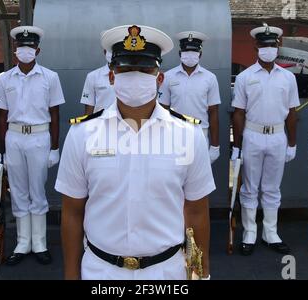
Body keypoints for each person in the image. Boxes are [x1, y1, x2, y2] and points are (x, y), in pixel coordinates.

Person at [56, 24, 214, 280]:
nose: (135, 76)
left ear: (159, 78)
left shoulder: (188, 134)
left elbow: (196, 211)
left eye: (144, 69)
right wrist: (71, 275)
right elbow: (73, 212)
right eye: (126, 69)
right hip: (101, 271)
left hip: (167, 272)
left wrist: (200, 273)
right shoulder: (82, 134)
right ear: (111, 77)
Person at [0, 26, 65, 265]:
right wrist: (1, 151)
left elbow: (55, 114)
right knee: (18, 191)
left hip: (39, 137)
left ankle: (40, 243)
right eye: (21, 47)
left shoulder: (50, 77)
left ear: (38, 50)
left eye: (30, 47)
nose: (25, 51)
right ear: (15, 50)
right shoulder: (5, 79)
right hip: (14, 137)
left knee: (37, 191)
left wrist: (55, 147)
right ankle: (23, 243)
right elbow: (1, 116)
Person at [231, 25, 299, 256]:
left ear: (277, 47)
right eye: (264, 45)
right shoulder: (244, 77)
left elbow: (292, 112)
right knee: (249, 187)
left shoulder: (288, 77)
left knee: (272, 187)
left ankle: (271, 232)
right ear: (256, 47)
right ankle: (249, 231)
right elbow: (238, 112)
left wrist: (292, 143)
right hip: (252, 135)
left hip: (278, 136)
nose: (268, 49)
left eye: (272, 45)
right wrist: (237, 147)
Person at [159, 31, 221, 164]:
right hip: (175, 133)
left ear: (200, 54)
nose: (190, 56)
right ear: (180, 54)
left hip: (200, 133)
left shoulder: (210, 78)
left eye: (194, 52)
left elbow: (213, 112)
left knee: (198, 181)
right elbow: (162, 110)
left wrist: (215, 146)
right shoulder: (168, 77)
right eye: (187, 52)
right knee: (175, 178)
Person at [80, 32, 115, 115]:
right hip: (100, 125)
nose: (113, 54)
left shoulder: (129, 76)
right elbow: (89, 109)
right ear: (104, 52)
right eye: (110, 50)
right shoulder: (93, 76)